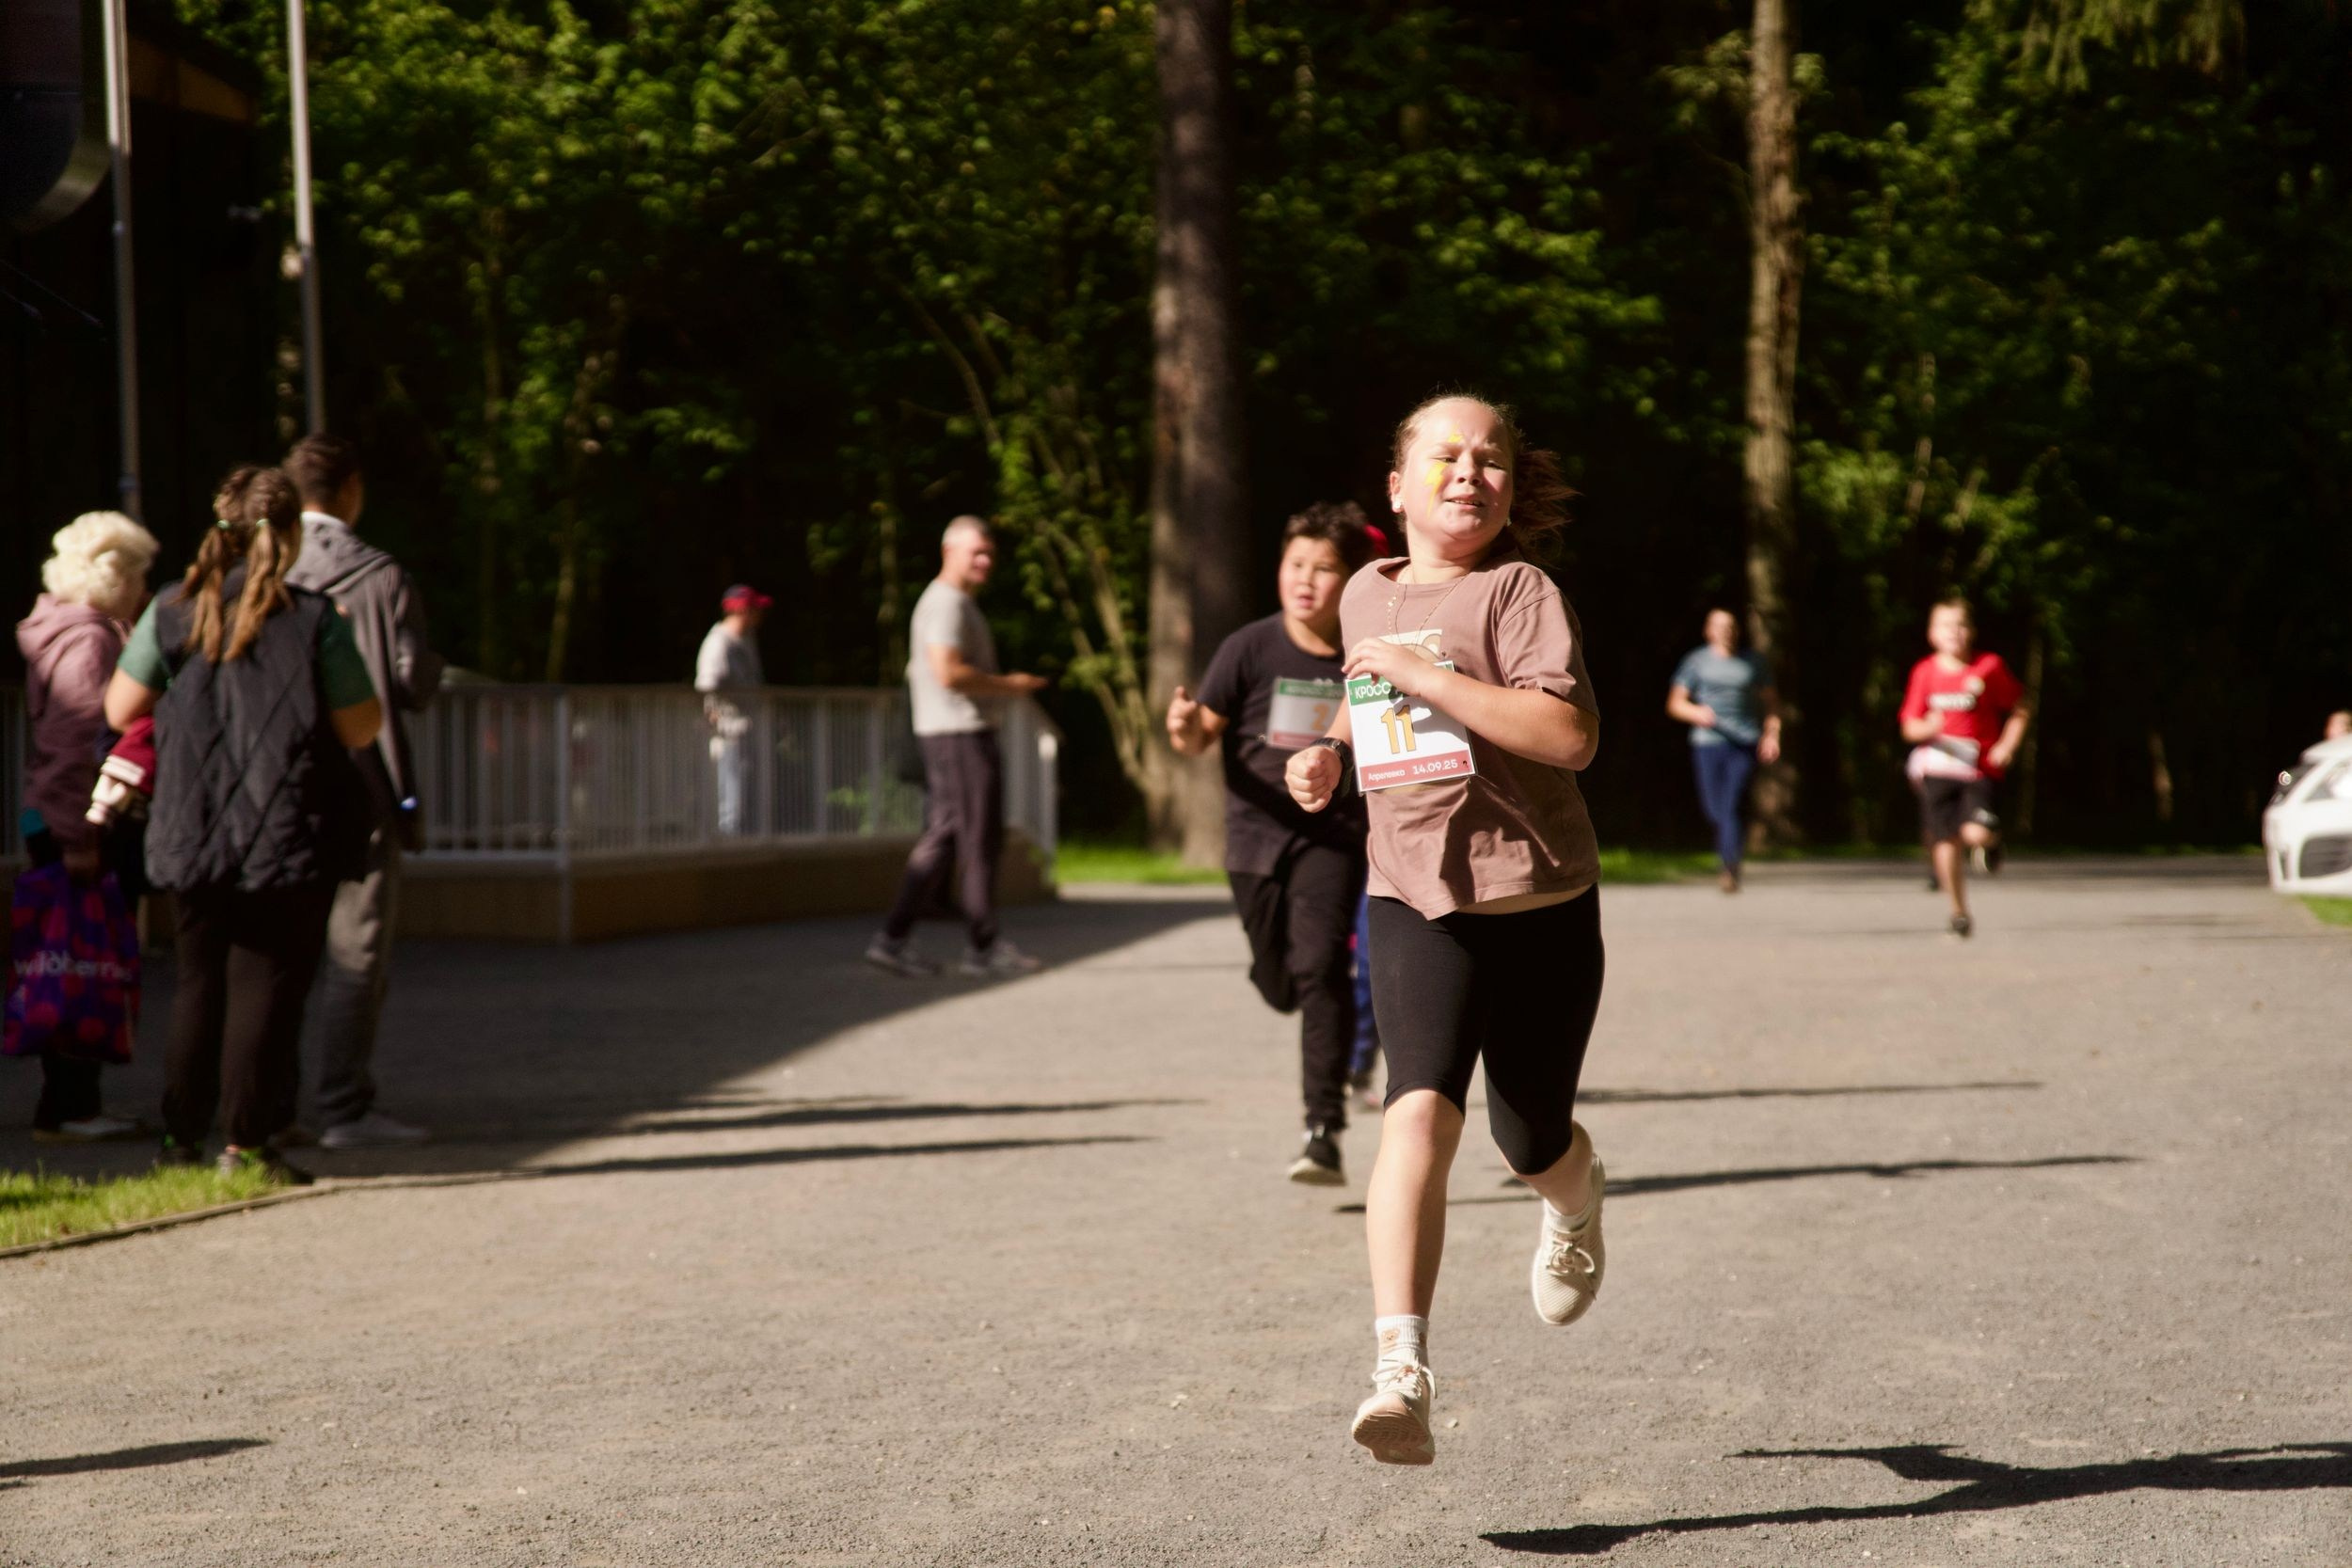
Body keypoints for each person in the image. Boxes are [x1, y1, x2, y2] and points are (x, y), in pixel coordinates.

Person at [1287, 394, 1608, 1466]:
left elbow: (1566, 733)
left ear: (1511, 486)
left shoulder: (1518, 589)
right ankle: (1399, 1372)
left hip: (1539, 907)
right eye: (1445, 455)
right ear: (1397, 485)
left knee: (1529, 1141)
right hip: (1413, 897)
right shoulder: (1368, 591)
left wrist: (1429, 673)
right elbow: (1358, 695)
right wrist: (1326, 753)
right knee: (1413, 1116)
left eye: (1492, 459)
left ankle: (1573, 1197)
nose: (1469, 472)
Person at [104, 466, 383, 1184]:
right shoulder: (316, 619)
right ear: (287, 535)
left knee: (198, 983)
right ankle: (247, 1144)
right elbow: (362, 727)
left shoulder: (172, 608)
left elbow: (119, 708)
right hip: (286, 826)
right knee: (264, 987)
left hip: (189, 820)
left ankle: (178, 1142)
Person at [1166, 501, 1376, 1185]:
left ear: (1351, 580)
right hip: (1255, 836)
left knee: (1321, 969)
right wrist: (1183, 725)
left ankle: (1324, 1129)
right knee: (1281, 980)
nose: (1306, 580)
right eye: (1295, 565)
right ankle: (1279, 977)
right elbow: (1200, 734)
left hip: (1334, 835)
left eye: (1323, 569)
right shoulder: (1249, 647)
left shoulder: (1364, 654)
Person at [281, 434, 445, 1149]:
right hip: (364, 778)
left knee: (274, 949)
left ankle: (262, 1106)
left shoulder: (264, 567)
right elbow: (409, 680)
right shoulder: (381, 575)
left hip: (273, 782)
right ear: (350, 489)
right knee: (356, 949)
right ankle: (344, 1105)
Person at [15, 510, 160, 1141]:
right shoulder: (92, 640)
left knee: (66, 954)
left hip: (49, 812)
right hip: (76, 820)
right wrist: (83, 837)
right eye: (139, 574)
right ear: (115, 575)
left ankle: (74, 1097)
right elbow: (80, 741)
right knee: (82, 956)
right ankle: (70, 1103)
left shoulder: (60, 628)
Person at [866, 517, 1048, 978]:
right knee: (977, 840)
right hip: (959, 733)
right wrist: (1011, 685)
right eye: (976, 552)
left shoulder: (953, 602)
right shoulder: (947, 604)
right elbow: (948, 672)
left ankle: (893, 939)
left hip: (953, 732)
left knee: (947, 836)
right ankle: (981, 948)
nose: (986, 561)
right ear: (949, 550)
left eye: (989, 553)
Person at [1899, 597, 2029, 939]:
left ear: (1970, 631)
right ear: (1932, 634)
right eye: (1945, 625)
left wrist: (2006, 745)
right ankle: (1958, 911)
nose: (1953, 632)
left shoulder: (1988, 667)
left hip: (1978, 769)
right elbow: (1909, 726)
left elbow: (2020, 708)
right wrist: (1927, 728)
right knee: (1945, 841)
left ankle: (1992, 842)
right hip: (1938, 767)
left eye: (1960, 625)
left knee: (1976, 833)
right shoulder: (1924, 672)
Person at [1666, 609, 1782, 893]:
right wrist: (1696, 712)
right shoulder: (1696, 662)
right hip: (1708, 743)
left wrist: (1772, 736)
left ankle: (1729, 866)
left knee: (1731, 805)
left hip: (1744, 742)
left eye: (1730, 626)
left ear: (1737, 630)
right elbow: (1675, 704)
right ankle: (1729, 854)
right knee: (1714, 810)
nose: (1726, 631)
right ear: (1709, 631)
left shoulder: (1753, 663)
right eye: (1720, 626)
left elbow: (1772, 706)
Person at [695, 584, 771, 836]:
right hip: (729, 735)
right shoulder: (718, 643)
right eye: (755, 609)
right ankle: (728, 852)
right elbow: (706, 687)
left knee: (747, 802)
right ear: (742, 610)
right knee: (731, 803)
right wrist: (718, 721)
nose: (760, 614)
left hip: (747, 734)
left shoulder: (745, 641)